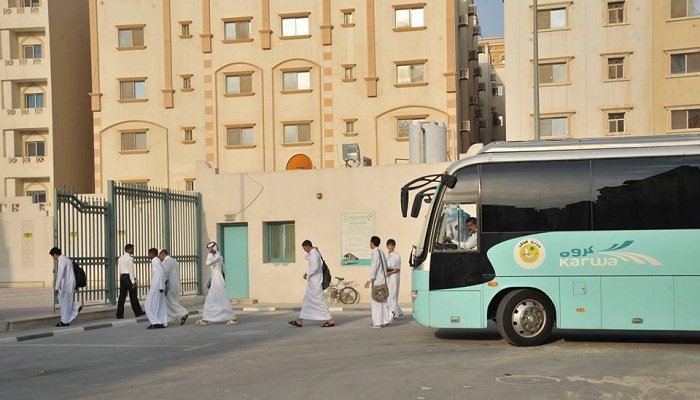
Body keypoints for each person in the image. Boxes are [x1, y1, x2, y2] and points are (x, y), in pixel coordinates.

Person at [288, 240, 335, 328]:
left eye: (304, 248)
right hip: (313, 284)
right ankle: (299, 321)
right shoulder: (313, 253)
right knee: (307, 302)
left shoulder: (314, 254)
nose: (304, 250)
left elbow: (315, 267)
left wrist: (307, 273)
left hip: (315, 283)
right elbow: (306, 257)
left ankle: (330, 320)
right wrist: (313, 249)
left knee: (319, 302)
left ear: (307, 246)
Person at [196, 242, 238, 326]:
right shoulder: (213, 256)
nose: (209, 250)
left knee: (222, 299)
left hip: (218, 281)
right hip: (214, 281)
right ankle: (206, 319)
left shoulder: (218, 257)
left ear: (214, 248)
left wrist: (210, 255)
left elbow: (208, 263)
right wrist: (210, 255)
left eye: (210, 248)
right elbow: (208, 262)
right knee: (210, 300)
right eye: (208, 248)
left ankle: (232, 318)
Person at [364, 236, 392, 328]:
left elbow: (375, 267)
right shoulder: (381, 252)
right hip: (383, 280)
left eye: (370, 242)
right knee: (382, 300)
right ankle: (384, 320)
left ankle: (377, 323)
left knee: (376, 301)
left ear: (372, 243)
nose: (369, 244)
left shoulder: (375, 253)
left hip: (377, 280)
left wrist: (369, 279)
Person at [50, 247, 82, 327]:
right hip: (70, 283)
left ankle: (64, 321)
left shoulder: (62, 261)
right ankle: (74, 310)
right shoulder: (66, 259)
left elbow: (60, 274)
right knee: (67, 301)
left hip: (66, 285)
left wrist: (56, 287)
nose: (53, 258)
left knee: (64, 303)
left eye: (52, 256)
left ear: (55, 254)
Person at [159, 249, 189, 325]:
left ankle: (183, 313)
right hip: (176, 284)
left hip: (170, 285)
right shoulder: (174, 260)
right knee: (173, 302)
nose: (160, 259)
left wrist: (161, 283)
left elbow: (165, 273)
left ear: (163, 254)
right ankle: (174, 316)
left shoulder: (166, 261)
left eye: (160, 256)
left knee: (170, 303)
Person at [116, 244, 144, 319]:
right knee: (133, 296)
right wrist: (133, 281)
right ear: (128, 249)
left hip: (122, 277)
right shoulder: (130, 258)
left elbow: (121, 269)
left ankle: (119, 314)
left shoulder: (120, 258)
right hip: (128, 277)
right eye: (132, 249)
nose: (133, 250)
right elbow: (130, 270)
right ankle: (137, 312)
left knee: (122, 296)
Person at [144, 248, 167, 329]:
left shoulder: (155, 261)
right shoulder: (156, 261)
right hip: (158, 285)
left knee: (148, 304)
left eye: (148, 254)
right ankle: (159, 322)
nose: (148, 256)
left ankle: (156, 322)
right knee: (158, 305)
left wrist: (161, 286)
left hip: (157, 286)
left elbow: (161, 273)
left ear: (152, 254)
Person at [385, 239, 404, 320]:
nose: (391, 247)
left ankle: (393, 313)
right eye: (389, 245)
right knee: (388, 295)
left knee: (393, 295)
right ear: (387, 246)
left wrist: (389, 273)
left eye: (392, 245)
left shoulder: (396, 255)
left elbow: (397, 269)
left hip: (394, 277)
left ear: (394, 246)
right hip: (387, 277)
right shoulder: (386, 255)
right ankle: (398, 312)